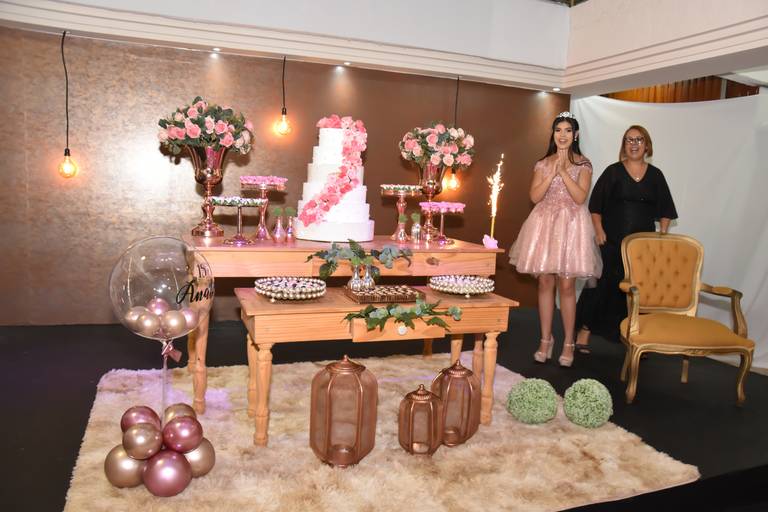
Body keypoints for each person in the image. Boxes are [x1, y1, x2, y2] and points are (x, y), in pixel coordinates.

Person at [509, 112, 602, 367]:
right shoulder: (542, 163)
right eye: (558, 130)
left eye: (568, 130)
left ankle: (569, 342)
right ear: (553, 133)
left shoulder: (584, 164)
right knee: (544, 282)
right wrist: (552, 173)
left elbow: (580, 198)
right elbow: (535, 197)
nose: (562, 135)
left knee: (567, 285)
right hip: (544, 225)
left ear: (576, 135)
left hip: (571, 226)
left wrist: (564, 172)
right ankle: (545, 340)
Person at [574, 125, 678, 349]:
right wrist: (599, 231)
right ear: (624, 145)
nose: (634, 144)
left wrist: (662, 237)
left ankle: (636, 338)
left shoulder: (656, 175)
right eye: (629, 140)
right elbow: (595, 206)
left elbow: (666, 211)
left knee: (638, 292)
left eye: (639, 140)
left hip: (642, 249)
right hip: (610, 243)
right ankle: (585, 330)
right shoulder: (613, 172)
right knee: (599, 286)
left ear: (647, 145)